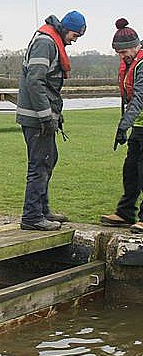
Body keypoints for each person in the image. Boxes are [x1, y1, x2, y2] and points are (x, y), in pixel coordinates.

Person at [17, 11, 86, 231]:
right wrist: (46, 115)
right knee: (40, 165)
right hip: (36, 118)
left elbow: (45, 84)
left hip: (39, 115)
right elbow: (35, 81)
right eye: (75, 34)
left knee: (49, 160)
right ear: (66, 28)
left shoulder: (50, 41)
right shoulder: (46, 43)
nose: (75, 40)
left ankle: (42, 209)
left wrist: (55, 114)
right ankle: (32, 217)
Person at [100, 19, 143, 233]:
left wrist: (122, 125)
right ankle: (125, 212)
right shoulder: (129, 63)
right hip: (139, 125)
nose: (122, 56)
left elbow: (139, 98)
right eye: (119, 52)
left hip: (137, 123)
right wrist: (126, 124)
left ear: (137, 46)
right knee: (131, 171)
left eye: (124, 51)